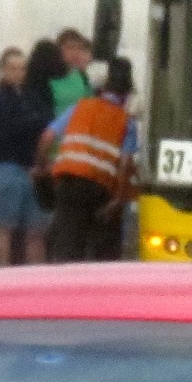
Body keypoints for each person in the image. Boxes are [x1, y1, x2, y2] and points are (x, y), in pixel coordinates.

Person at [37, 57, 137, 264]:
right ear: (127, 94)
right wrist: (118, 200)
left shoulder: (80, 107)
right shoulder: (126, 122)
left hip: (69, 182)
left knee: (67, 246)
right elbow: (125, 164)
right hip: (102, 189)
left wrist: (41, 168)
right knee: (102, 253)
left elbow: (46, 138)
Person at [0, 47, 53, 266]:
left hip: (33, 169)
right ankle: (0, 275)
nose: (18, 73)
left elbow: (46, 121)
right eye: (12, 68)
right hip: (6, 167)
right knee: (4, 228)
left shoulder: (32, 96)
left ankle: (36, 277)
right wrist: (32, 123)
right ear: (3, 70)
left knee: (36, 230)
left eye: (22, 68)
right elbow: (7, 129)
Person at [51, 29, 95, 116]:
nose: (75, 52)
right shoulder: (49, 77)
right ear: (58, 49)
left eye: (78, 48)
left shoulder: (82, 76)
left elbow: (90, 105)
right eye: (70, 47)